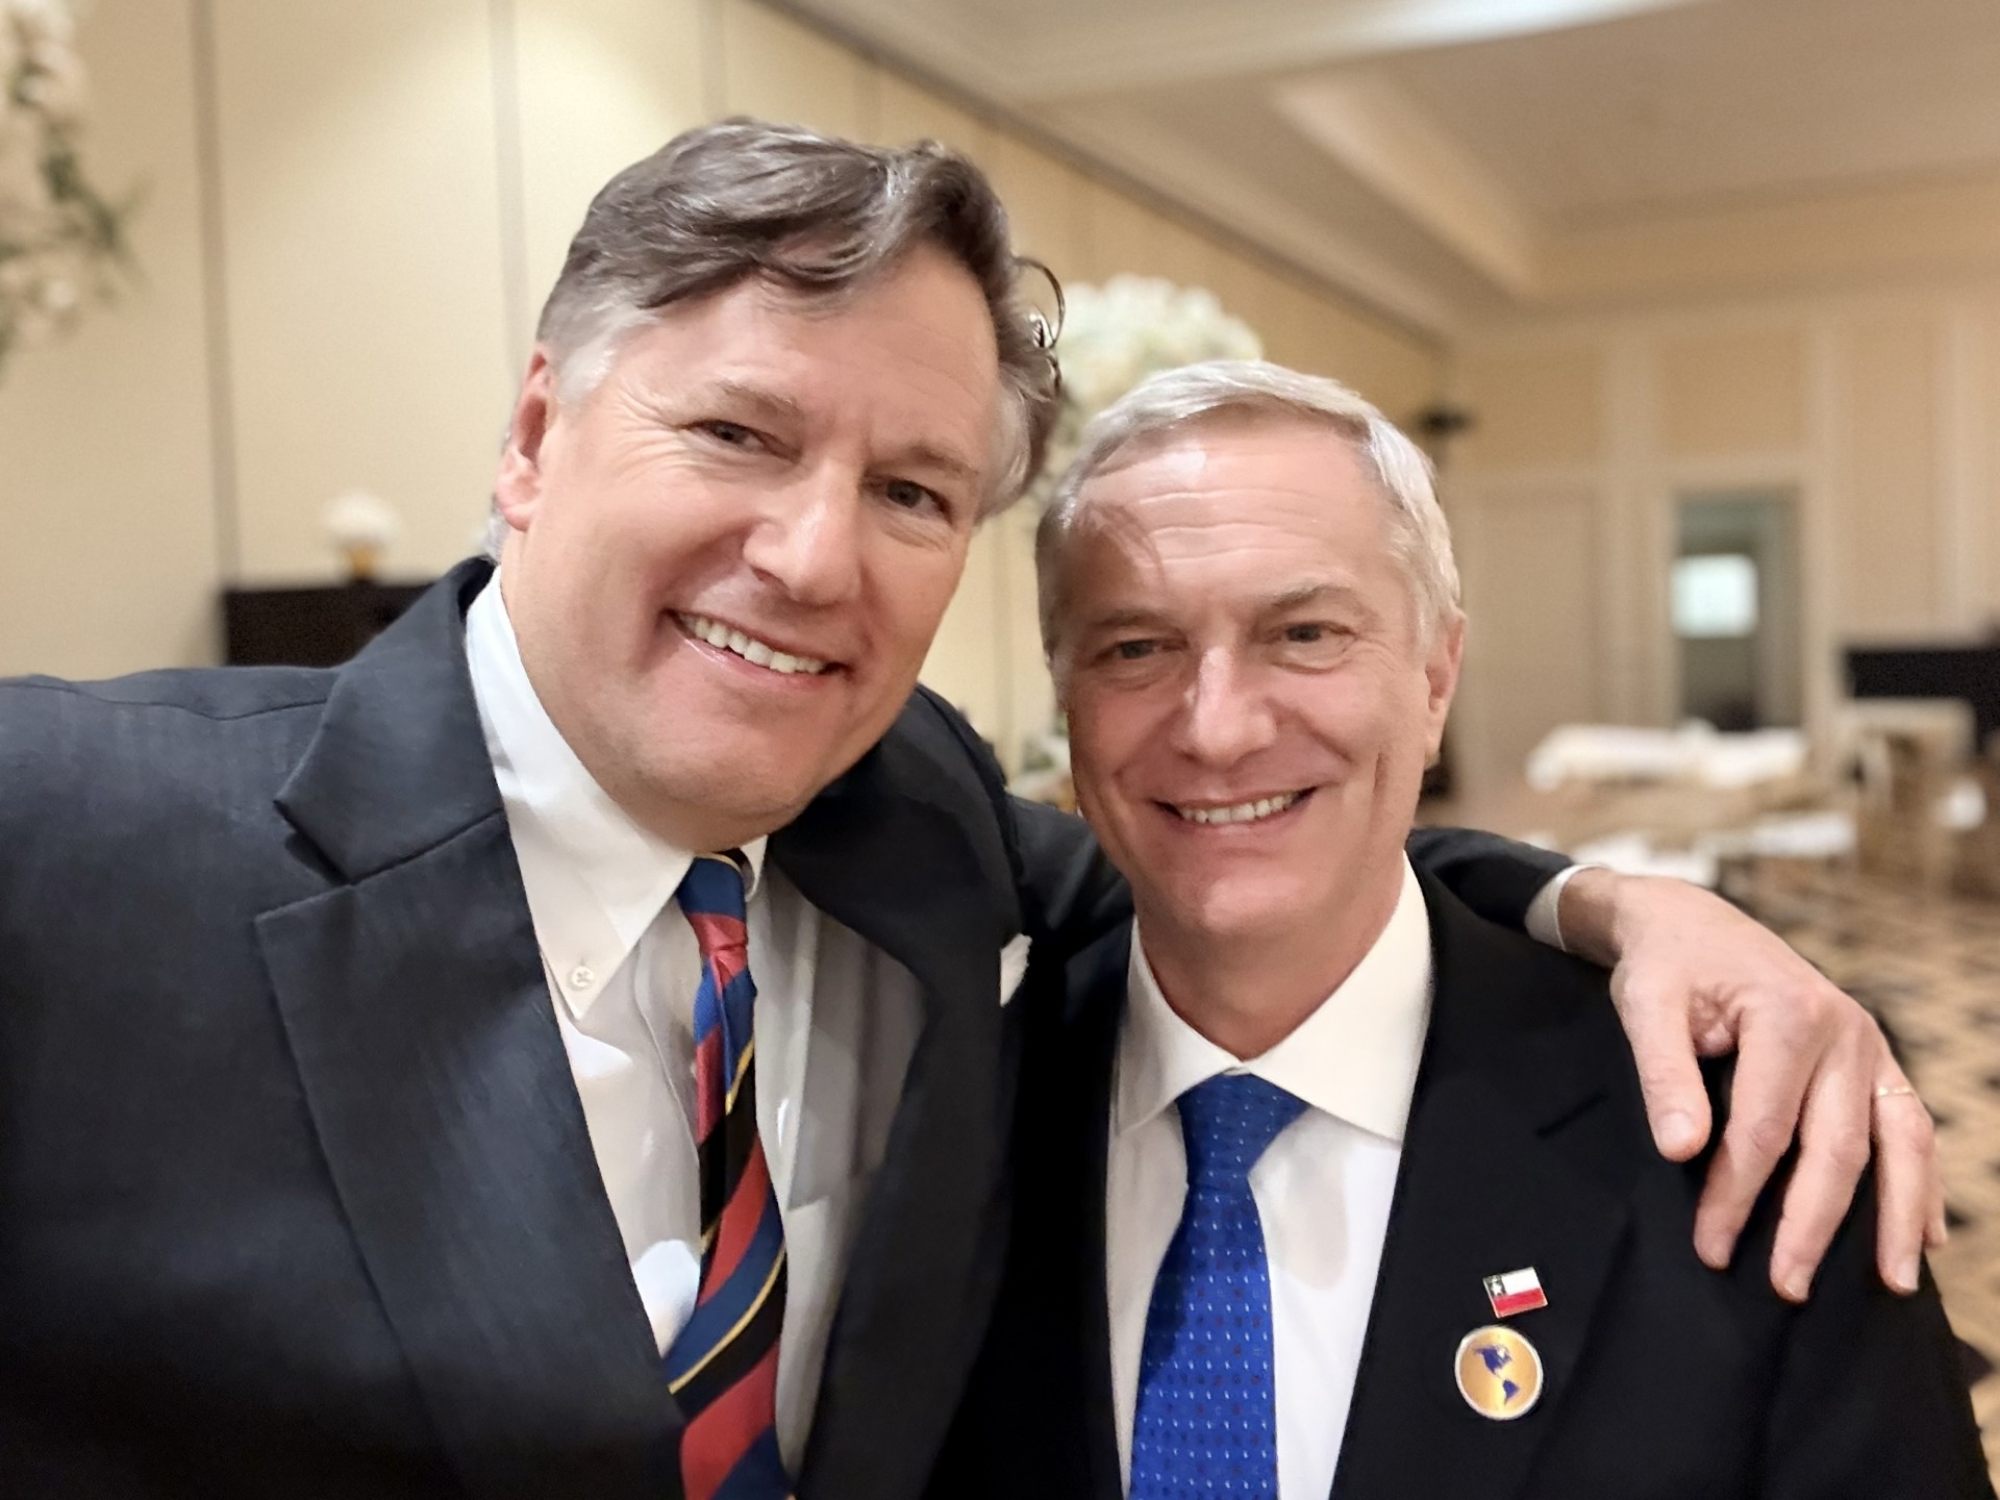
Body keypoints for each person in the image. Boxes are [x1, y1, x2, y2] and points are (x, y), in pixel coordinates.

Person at [0, 122, 1940, 1500]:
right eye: (739, 433)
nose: (810, 555)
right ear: (529, 440)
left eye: (915, 491)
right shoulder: (68, 839)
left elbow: (1228, 851)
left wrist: (1606, 904)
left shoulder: (900, 822)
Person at [931, 361, 1990, 1499]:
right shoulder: (945, 1104)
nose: (1219, 728)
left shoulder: (1749, 1130)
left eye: (1302, 633)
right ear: (1064, 697)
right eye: (1135, 648)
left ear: (1435, 678)